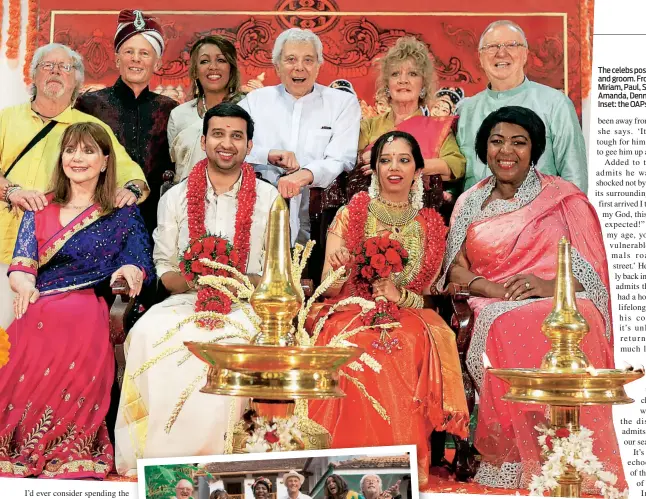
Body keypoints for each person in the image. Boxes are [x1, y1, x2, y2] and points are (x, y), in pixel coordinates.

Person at [439, 106, 624, 491]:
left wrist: (549, 285)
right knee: (511, 321)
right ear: (484, 149)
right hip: (494, 302)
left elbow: (592, 270)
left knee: (567, 319)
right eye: (497, 141)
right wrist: (490, 289)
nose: (507, 151)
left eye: (519, 142)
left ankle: (576, 458)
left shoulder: (563, 198)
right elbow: (453, 271)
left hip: (562, 297)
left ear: (534, 149)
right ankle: (520, 458)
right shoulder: (469, 203)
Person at [114, 103, 279, 474]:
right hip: (186, 298)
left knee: (239, 342)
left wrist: (233, 282)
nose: (227, 143)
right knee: (147, 334)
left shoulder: (269, 199)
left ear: (249, 145)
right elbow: (166, 269)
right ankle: (161, 459)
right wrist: (198, 279)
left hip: (246, 301)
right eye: (218, 134)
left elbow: (275, 272)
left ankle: (231, 457)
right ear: (203, 140)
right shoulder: (175, 197)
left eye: (237, 136)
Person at [308, 131, 469, 491]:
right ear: (374, 168)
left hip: (409, 312)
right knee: (347, 341)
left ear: (417, 170)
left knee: (408, 341)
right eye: (385, 159)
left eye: (403, 159)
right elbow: (326, 288)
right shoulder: (353, 214)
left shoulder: (429, 222)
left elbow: (429, 294)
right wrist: (341, 269)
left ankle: (401, 468)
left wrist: (399, 297)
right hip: (350, 306)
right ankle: (340, 458)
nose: (393, 167)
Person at [0, 122, 153, 478]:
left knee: (75, 316)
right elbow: (23, 265)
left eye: (87, 151)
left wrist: (129, 270)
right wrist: (24, 285)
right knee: (27, 329)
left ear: (104, 161)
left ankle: (67, 445)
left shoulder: (121, 210)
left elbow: (140, 257)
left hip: (87, 303)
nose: (77, 158)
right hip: (38, 302)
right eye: (71, 150)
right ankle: (18, 442)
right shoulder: (40, 207)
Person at [0, 42, 147, 330]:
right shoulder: (6, 119)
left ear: (77, 79)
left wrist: (128, 191)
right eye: (47, 66)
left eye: (64, 67)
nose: (55, 72)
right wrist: (11, 192)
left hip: (47, 262)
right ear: (34, 75)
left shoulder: (89, 129)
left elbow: (134, 177)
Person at [238, 27, 361, 246]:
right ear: (277, 65)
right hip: (260, 209)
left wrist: (305, 174)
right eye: (291, 59)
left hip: (321, 212)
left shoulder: (341, 103)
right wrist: (268, 155)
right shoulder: (255, 102)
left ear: (318, 66)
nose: (299, 67)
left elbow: (342, 158)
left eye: (308, 60)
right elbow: (232, 146)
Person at [76, 9, 178, 234]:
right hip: (98, 214)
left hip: (154, 220)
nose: (136, 59)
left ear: (157, 63)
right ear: (116, 58)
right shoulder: (90, 104)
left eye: (145, 53)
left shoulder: (169, 109)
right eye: (129, 51)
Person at [455, 20, 588, 193]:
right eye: (492, 46)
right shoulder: (466, 110)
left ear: (525, 54)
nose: (501, 53)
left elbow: (574, 178)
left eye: (511, 45)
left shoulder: (555, 104)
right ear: (480, 58)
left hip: (540, 216)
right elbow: (456, 177)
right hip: (475, 217)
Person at [348, 37, 466, 207]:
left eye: (412, 74)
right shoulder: (368, 126)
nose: (403, 80)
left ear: (423, 86)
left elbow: (456, 166)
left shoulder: (438, 128)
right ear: (387, 85)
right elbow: (348, 162)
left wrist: (410, 164)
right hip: (371, 212)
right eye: (396, 74)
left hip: (421, 214)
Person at [167, 35, 245, 181]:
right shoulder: (179, 115)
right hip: (187, 199)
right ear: (195, 71)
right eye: (204, 61)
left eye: (221, 60)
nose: (213, 67)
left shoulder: (247, 108)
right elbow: (176, 168)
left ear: (231, 68)